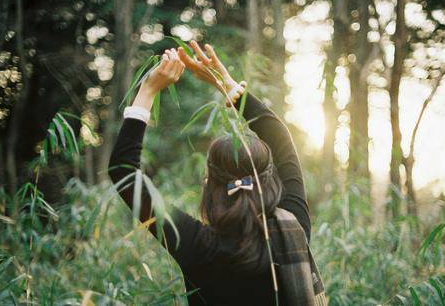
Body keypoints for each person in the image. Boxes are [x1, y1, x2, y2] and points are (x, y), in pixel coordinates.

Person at [108, 41, 326, 306]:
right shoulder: (293, 228)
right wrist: (229, 86)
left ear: (210, 183)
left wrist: (148, 89)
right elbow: (280, 137)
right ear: (267, 181)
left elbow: (124, 172)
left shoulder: (195, 244)